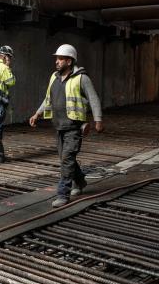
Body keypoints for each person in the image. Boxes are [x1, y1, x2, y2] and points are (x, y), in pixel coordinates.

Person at [28, 44, 103, 208]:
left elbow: (94, 98)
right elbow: (47, 99)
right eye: (57, 58)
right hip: (59, 126)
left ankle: (63, 194)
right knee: (66, 159)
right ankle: (81, 181)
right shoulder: (54, 77)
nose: (57, 61)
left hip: (74, 128)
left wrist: (98, 120)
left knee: (67, 159)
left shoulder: (82, 78)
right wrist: (37, 114)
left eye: (60, 59)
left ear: (69, 61)